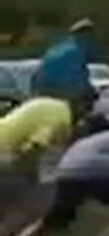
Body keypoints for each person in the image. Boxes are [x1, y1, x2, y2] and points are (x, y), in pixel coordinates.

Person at [0, 98, 74, 236]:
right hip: (6, 155)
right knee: (38, 198)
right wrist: (31, 173)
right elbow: (35, 147)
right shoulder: (61, 118)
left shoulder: (49, 105)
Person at [32, 20, 98, 116]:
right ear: (87, 34)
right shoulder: (81, 46)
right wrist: (89, 89)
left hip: (40, 87)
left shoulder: (58, 46)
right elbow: (79, 73)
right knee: (87, 100)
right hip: (64, 89)